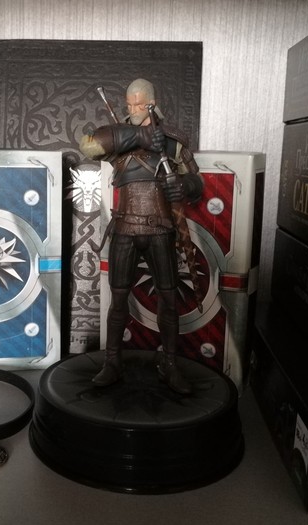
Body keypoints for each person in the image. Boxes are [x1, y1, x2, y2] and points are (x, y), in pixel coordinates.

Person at [79, 78, 202, 395]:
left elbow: (197, 182)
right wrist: (138, 136)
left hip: (161, 230)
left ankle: (169, 365)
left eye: (139, 104)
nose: (132, 109)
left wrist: (184, 187)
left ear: (152, 103)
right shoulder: (119, 138)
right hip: (124, 230)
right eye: (129, 104)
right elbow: (88, 146)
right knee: (118, 300)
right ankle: (112, 362)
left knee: (169, 300)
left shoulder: (173, 142)